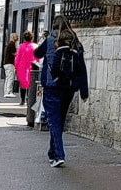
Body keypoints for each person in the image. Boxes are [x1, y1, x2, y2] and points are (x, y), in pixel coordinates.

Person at [34, 14, 89, 168]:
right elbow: (82, 68)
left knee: (53, 121)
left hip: (52, 86)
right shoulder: (76, 42)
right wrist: (84, 91)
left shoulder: (50, 40)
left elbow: (36, 54)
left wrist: (43, 40)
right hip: (69, 87)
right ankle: (52, 153)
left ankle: (59, 155)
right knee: (60, 121)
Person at [14, 30, 37, 106]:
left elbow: (17, 58)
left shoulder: (21, 46)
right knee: (31, 84)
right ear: (32, 38)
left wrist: (16, 67)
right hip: (31, 67)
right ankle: (29, 98)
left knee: (22, 84)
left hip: (22, 67)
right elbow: (37, 58)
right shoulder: (35, 46)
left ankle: (22, 100)